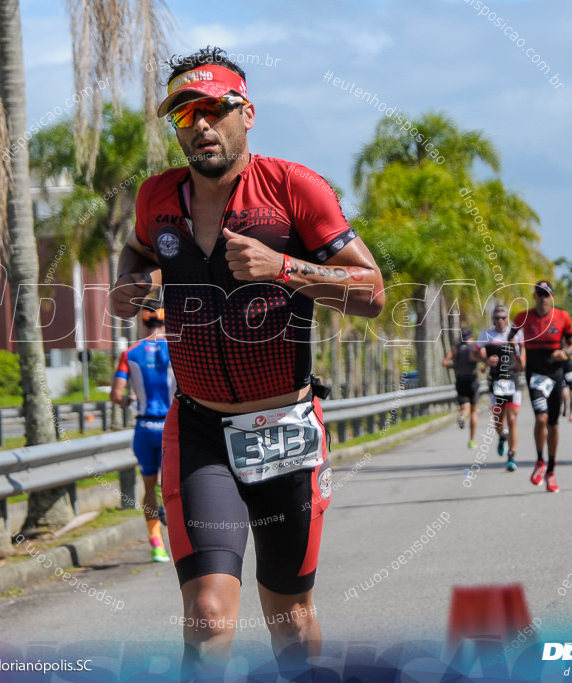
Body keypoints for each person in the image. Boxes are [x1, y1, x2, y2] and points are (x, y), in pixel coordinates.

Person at [109, 46, 385, 676]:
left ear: (247, 113)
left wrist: (283, 268)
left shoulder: (295, 188)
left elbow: (371, 292)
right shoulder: (156, 197)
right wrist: (129, 283)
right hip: (200, 429)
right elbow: (135, 254)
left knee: (289, 617)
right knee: (207, 616)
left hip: (285, 427)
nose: (201, 125)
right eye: (184, 114)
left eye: (214, 109)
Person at [110, 307, 175, 563]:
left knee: (149, 487)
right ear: (166, 320)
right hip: (172, 427)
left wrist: (131, 401)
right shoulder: (178, 349)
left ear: (144, 322)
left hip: (144, 427)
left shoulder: (130, 353)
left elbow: (116, 395)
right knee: (178, 484)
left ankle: (156, 545)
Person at [508, 280, 572, 493]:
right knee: (541, 418)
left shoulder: (562, 316)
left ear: (552, 296)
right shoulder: (522, 317)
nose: (543, 298)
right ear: (535, 296)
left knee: (553, 424)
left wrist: (564, 353)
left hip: (555, 374)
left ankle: (552, 470)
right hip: (535, 375)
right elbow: (510, 339)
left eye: (547, 294)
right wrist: (517, 357)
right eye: (540, 294)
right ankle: (540, 461)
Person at [478, 305, 525, 471]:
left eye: (503, 317)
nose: (500, 320)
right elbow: (475, 353)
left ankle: (512, 456)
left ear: (508, 318)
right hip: (495, 381)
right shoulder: (486, 335)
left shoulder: (516, 334)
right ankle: (502, 437)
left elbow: (522, 359)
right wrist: (485, 361)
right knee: (499, 421)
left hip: (512, 380)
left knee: (512, 418)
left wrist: (520, 357)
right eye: (497, 317)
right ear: (492, 319)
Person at [443, 327, 480, 448]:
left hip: (460, 380)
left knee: (465, 408)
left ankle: (462, 416)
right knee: (474, 411)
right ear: (471, 336)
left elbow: (445, 362)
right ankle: (472, 440)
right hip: (472, 380)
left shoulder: (455, 348)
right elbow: (482, 359)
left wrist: (454, 367)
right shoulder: (474, 348)